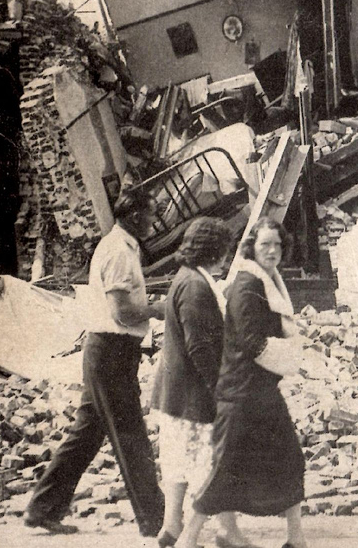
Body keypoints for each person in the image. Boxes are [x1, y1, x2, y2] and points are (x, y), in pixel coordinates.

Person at [24, 187, 166, 536]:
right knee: (131, 435)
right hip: (112, 352)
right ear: (134, 216)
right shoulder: (118, 251)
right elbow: (123, 311)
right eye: (151, 212)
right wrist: (161, 309)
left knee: (87, 434)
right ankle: (157, 521)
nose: (155, 219)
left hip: (110, 352)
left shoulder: (121, 245)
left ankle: (42, 508)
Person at [176, 218, 307, 548]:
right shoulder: (248, 284)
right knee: (225, 470)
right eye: (265, 245)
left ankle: (296, 538)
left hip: (259, 390)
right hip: (242, 392)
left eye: (277, 244)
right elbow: (251, 341)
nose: (272, 251)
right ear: (252, 247)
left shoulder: (267, 280)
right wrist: (292, 355)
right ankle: (187, 540)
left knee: (289, 460)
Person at [151, 218, 253, 548]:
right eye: (225, 248)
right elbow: (200, 346)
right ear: (215, 251)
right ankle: (226, 532)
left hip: (178, 392)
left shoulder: (188, 279)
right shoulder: (196, 286)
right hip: (195, 394)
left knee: (180, 462)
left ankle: (171, 526)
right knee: (214, 463)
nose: (228, 254)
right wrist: (221, 387)